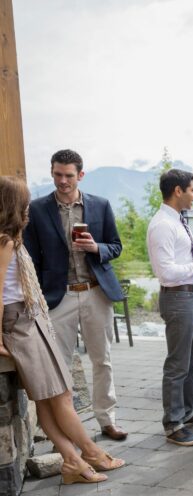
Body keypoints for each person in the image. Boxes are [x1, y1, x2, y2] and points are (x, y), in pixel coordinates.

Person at [0, 176, 125, 484]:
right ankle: (90, 454)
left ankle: (73, 461)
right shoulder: (4, 241)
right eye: (25, 201)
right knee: (60, 396)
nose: (29, 206)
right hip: (20, 324)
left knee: (48, 398)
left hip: (32, 319)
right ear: (13, 205)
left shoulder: (12, 238)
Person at [23, 149, 128, 441]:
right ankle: (67, 427)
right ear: (52, 172)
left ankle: (108, 420)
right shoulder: (37, 209)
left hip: (96, 293)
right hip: (59, 297)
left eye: (69, 175)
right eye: (57, 174)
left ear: (80, 175)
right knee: (60, 364)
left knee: (102, 360)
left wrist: (98, 248)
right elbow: (31, 258)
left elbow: (116, 246)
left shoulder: (101, 205)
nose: (62, 181)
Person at [147, 169, 193, 446]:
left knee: (192, 361)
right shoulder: (162, 225)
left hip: (192, 295)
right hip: (177, 297)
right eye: (192, 189)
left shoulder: (178, 221)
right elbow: (165, 272)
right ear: (178, 191)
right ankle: (173, 424)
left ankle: (188, 412)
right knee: (177, 364)